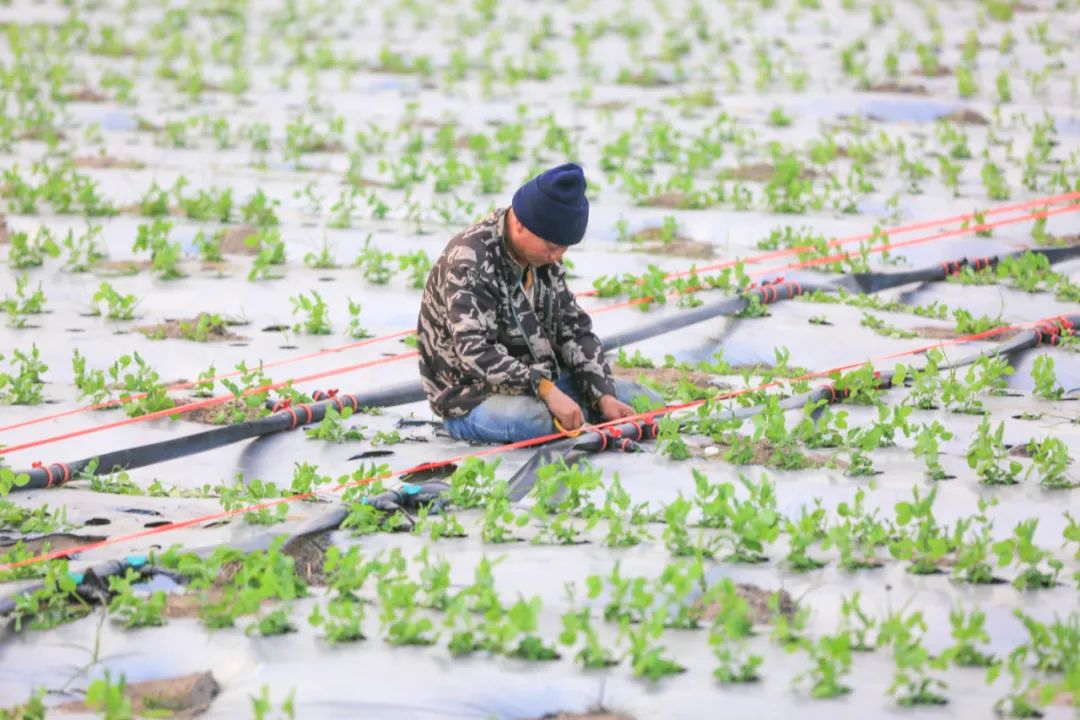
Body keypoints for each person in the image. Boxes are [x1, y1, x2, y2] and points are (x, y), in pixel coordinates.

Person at [417, 163, 661, 443]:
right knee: (533, 420)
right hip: (473, 397)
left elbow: (573, 329)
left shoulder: (542, 257)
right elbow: (476, 353)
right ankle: (573, 419)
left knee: (645, 402)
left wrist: (602, 394)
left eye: (563, 249)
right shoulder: (470, 261)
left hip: (541, 384)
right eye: (552, 247)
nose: (557, 257)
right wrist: (544, 389)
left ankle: (580, 416)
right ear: (520, 224)